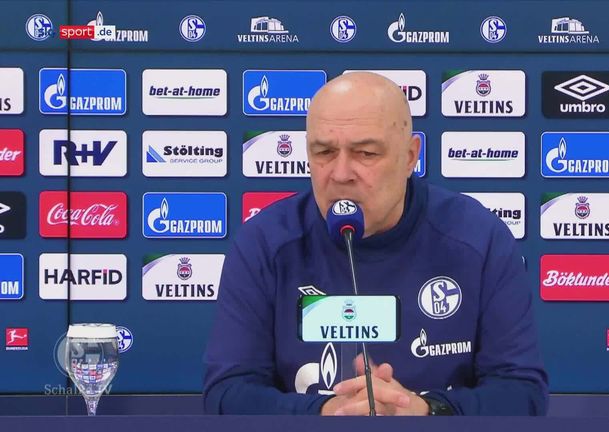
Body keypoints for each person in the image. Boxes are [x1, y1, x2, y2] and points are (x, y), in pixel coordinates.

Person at [203, 72, 548, 416]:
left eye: (365, 153)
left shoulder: (479, 239)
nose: (341, 174)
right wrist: (325, 412)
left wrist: (427, 411)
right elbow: (227, 393)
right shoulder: (265, 243)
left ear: (410, 157)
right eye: (324, 152)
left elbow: (522, 393)